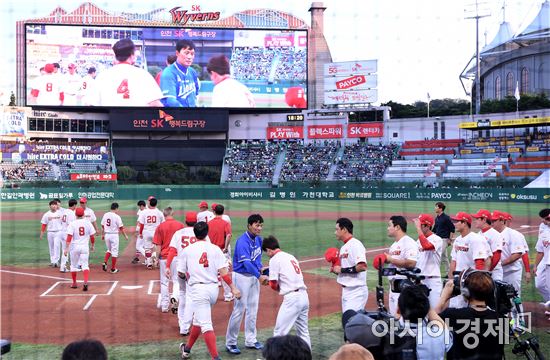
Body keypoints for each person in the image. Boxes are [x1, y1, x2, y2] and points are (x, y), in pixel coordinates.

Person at [176, 222, 242, 360]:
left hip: (198, 290)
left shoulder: (187, 250)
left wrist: (188, 276)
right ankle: (186, 349)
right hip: (213, 290)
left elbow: (181, 273)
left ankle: (215, 358)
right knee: (198, 321)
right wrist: (234, 288)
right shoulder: (215, 249)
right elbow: (224, 273)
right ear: (207, 233)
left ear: (194, 233)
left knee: (205, 324)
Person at [436, 269, 505, 360]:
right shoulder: (502, 320)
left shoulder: (454, 316)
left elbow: (432, 321)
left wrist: (444, 296)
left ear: (465, 292)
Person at [225, 214, 269, 354]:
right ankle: (231, 342)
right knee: (239, 310)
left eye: (261, 225)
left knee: (253, 309)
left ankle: (251, 339)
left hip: (253, 277)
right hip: (241, 277)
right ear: (249, 225)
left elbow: (256, 259)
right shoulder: (242, 241)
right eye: (257, 225)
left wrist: (260, 269)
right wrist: (259, 276)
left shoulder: (258, 240)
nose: (259, 228)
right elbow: (246, 263)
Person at [262, 235, 310, 347]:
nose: (267, 255)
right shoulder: (290, 256)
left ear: (268, 250)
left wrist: (267, 281)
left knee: (279, 333)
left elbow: (273, 284)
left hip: (292, 299)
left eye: (266, 252)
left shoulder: (274, 259)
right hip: (304, 297)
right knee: (303, 332)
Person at [88, 38, 163, 106]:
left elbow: (91, 104)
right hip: (137, 120)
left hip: (111, 120)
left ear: (116, 56)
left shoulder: (102, 76)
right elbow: (155, 104)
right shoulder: (144, 75)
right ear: (132, 55)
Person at [396, 285, 452, 359]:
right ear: (427, 308)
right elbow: (444, 328)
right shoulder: (440, 335)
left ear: (399, 310)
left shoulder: (390, 335)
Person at [166, 211, 200, 335]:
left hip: (181, 268)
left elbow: (172, 250)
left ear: (185, 222)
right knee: (194, 296)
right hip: (196, 269)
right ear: (196, 221)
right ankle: (191, 322)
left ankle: (182, 325)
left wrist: (168, 266)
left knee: (182, 293)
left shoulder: (178, 233)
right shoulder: (200, 232)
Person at [449, 212, 491, 308]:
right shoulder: (458, 240)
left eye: (457, 221)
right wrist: (451, 279)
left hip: (471, 282)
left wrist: (477, 283)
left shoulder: (475, 239)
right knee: (455, 308)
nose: (454, 223)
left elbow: (480, 263)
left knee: (472, 309)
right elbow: (453, 261)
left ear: (464, 223)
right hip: (458, 280)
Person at [381, 215, 418, 316]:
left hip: (404, 289)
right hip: (393, 288)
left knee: (403, 320)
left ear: (397, 227)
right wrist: (387, 262)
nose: (388, 228)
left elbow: (411, 263)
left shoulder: (409, 242)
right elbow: (395, 263)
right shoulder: (394, 245)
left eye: (389, 225)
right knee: (394, 319)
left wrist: (391, 259)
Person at [331, 217, 368, 313]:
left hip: (356, 292)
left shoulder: (356, 244)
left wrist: (341, 270)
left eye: (337, 229)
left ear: (344, 230)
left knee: (352, 322)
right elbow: (346, 270)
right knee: (348, 322)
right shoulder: (344, 247)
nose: (335, 232)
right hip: (346, 291)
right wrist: (336, 270)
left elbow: (362, 266)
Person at [153, 207, 184, 312]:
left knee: (164, 282)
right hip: (177, 257)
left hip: (164, 258)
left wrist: (156, 259)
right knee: (176, 281)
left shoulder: (160, 227)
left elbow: (158, 245)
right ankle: (175, 298)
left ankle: (165, 306)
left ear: (164, 215)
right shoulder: (180, 225)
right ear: (173, 213)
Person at [413, 214, 444, 308]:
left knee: (434, 311)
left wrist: (418, 230)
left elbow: (427, 246)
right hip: (419, 281)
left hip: (433, 281)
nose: (418, 227)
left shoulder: (437, 239)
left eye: (421, 225)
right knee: (419, 311)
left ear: (427, 226)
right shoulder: (417, 241)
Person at [160, 39, 200, 107]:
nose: (189, 57)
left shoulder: (192, 72)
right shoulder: (168, 73)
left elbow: (195, 96)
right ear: (177, 53)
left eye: (192, 54)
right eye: (186, 53)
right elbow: (171, 101)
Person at [64, 207, 96, 291]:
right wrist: (92, 245)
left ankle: (74, 283)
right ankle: (85, 282)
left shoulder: (72, 223)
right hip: (85, 247)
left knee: (73, 266)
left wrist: (66, 248)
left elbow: (69, 237)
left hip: (74, 247)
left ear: (75, 214)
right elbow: (92, 236)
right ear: (84, 214)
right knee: (85, 265)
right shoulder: (88, 223)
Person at [207, 204, 234, 301]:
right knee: (224, 273)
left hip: (212, 251)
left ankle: (210, 296)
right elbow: (229, 235)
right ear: (223, 212)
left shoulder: (209, 223)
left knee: (211, 274)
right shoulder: (225, 223)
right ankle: (227, 295)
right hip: (222, 251)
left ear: (214, 212)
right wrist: (226, 247)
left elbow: (206, 237)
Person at [472, 209, 504, 281]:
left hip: (494, 272)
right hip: (482, 270)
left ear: (484, 220)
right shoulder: (478, 234)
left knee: (494, 291)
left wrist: (487, 272)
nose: (475, 221)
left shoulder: (495, 235)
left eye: (477, 218)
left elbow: (496, 256)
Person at [100, 202, 128, 274]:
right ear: (116, 208)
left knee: (109, 250)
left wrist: (102, 234)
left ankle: (105, 262)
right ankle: (113, 269)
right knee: (114, 252)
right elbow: (121, 228)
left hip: (107, 235)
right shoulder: (117, 216)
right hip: (114, 236)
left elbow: (102, 226)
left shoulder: (105, 215)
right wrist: (125, 236)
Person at [137, 197, 165, 269]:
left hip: (146, 232)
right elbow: (163, 224)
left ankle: (149, 263)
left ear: (149, 203)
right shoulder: (159, 213)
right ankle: (156, 258)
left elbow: (141, 224)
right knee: (158, 247)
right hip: (156, 232)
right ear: (156, 204)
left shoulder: (144, 212)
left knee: (147, 248)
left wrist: (140, 233)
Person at [39, 200, 63, 267]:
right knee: (51, 247)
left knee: (57, 246)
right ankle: (52, 261)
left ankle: (56, 261)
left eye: (55, 204)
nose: (54, 206)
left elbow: (63, 223)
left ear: (57, 206)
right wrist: (42, 233)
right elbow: (44, 224)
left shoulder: (60, 213)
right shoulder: (46, 214)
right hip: (50, 232)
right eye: (52, 205)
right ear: (50, 206)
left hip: (58, 232)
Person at [433, 202, 455, 276]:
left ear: (440, 208)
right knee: (444, 257)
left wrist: (450, 239)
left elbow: (452, 228)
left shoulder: (446, 218)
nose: (435, 208)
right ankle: (448, 273)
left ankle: (434, 272)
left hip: (444, 240)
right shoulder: (437, 218)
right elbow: (434, 229)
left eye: (436, 207)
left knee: (437, 254)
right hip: (438, 240)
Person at [535, 208, 550, 302]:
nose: (543, 221)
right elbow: (540, 249)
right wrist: (535, 265)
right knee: (539, 284)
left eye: (545, 218)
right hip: (545, 258)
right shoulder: (544, 229)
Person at [132, 200, 147, 264]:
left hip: (142, 231)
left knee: (138, 246)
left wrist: (137, 231)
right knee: (145, 246)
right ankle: (147, 261)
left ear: (142, 206)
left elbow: (139, 223)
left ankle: (148, 257)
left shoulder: (142, 212)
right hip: (148, 231)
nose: (139, 208)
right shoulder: (148, 211)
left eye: (139, 206)